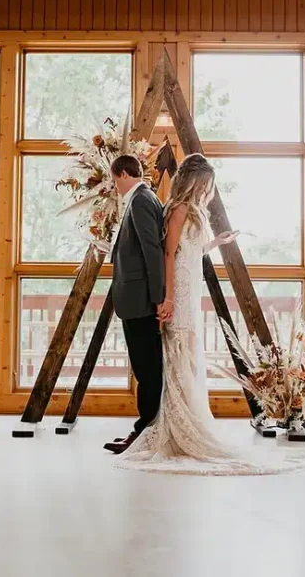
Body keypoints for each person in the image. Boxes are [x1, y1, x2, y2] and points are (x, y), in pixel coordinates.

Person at [114, 153, 305, 475]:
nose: (209, 190)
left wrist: (214, 243)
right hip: (178, 292)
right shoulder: (177, 210)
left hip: (191, 291)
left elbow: (189, 251)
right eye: (206, 184)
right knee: (178, 357)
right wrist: (167, 297)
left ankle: (188, 419)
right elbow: (168, 254)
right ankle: (173, 427)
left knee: (189, 356)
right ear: (194, 182)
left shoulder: (193, 213)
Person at [103, 154, 167, 455]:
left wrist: (158, 297)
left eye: (116, 180)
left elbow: (152, 250)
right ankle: (145, 430)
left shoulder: (141, 200)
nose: (115, 187)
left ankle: (145, 432)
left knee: (147, 369)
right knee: (146, 367)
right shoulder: (143, 198)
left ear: (125, 173)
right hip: (138, 299)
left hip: (141, 301)